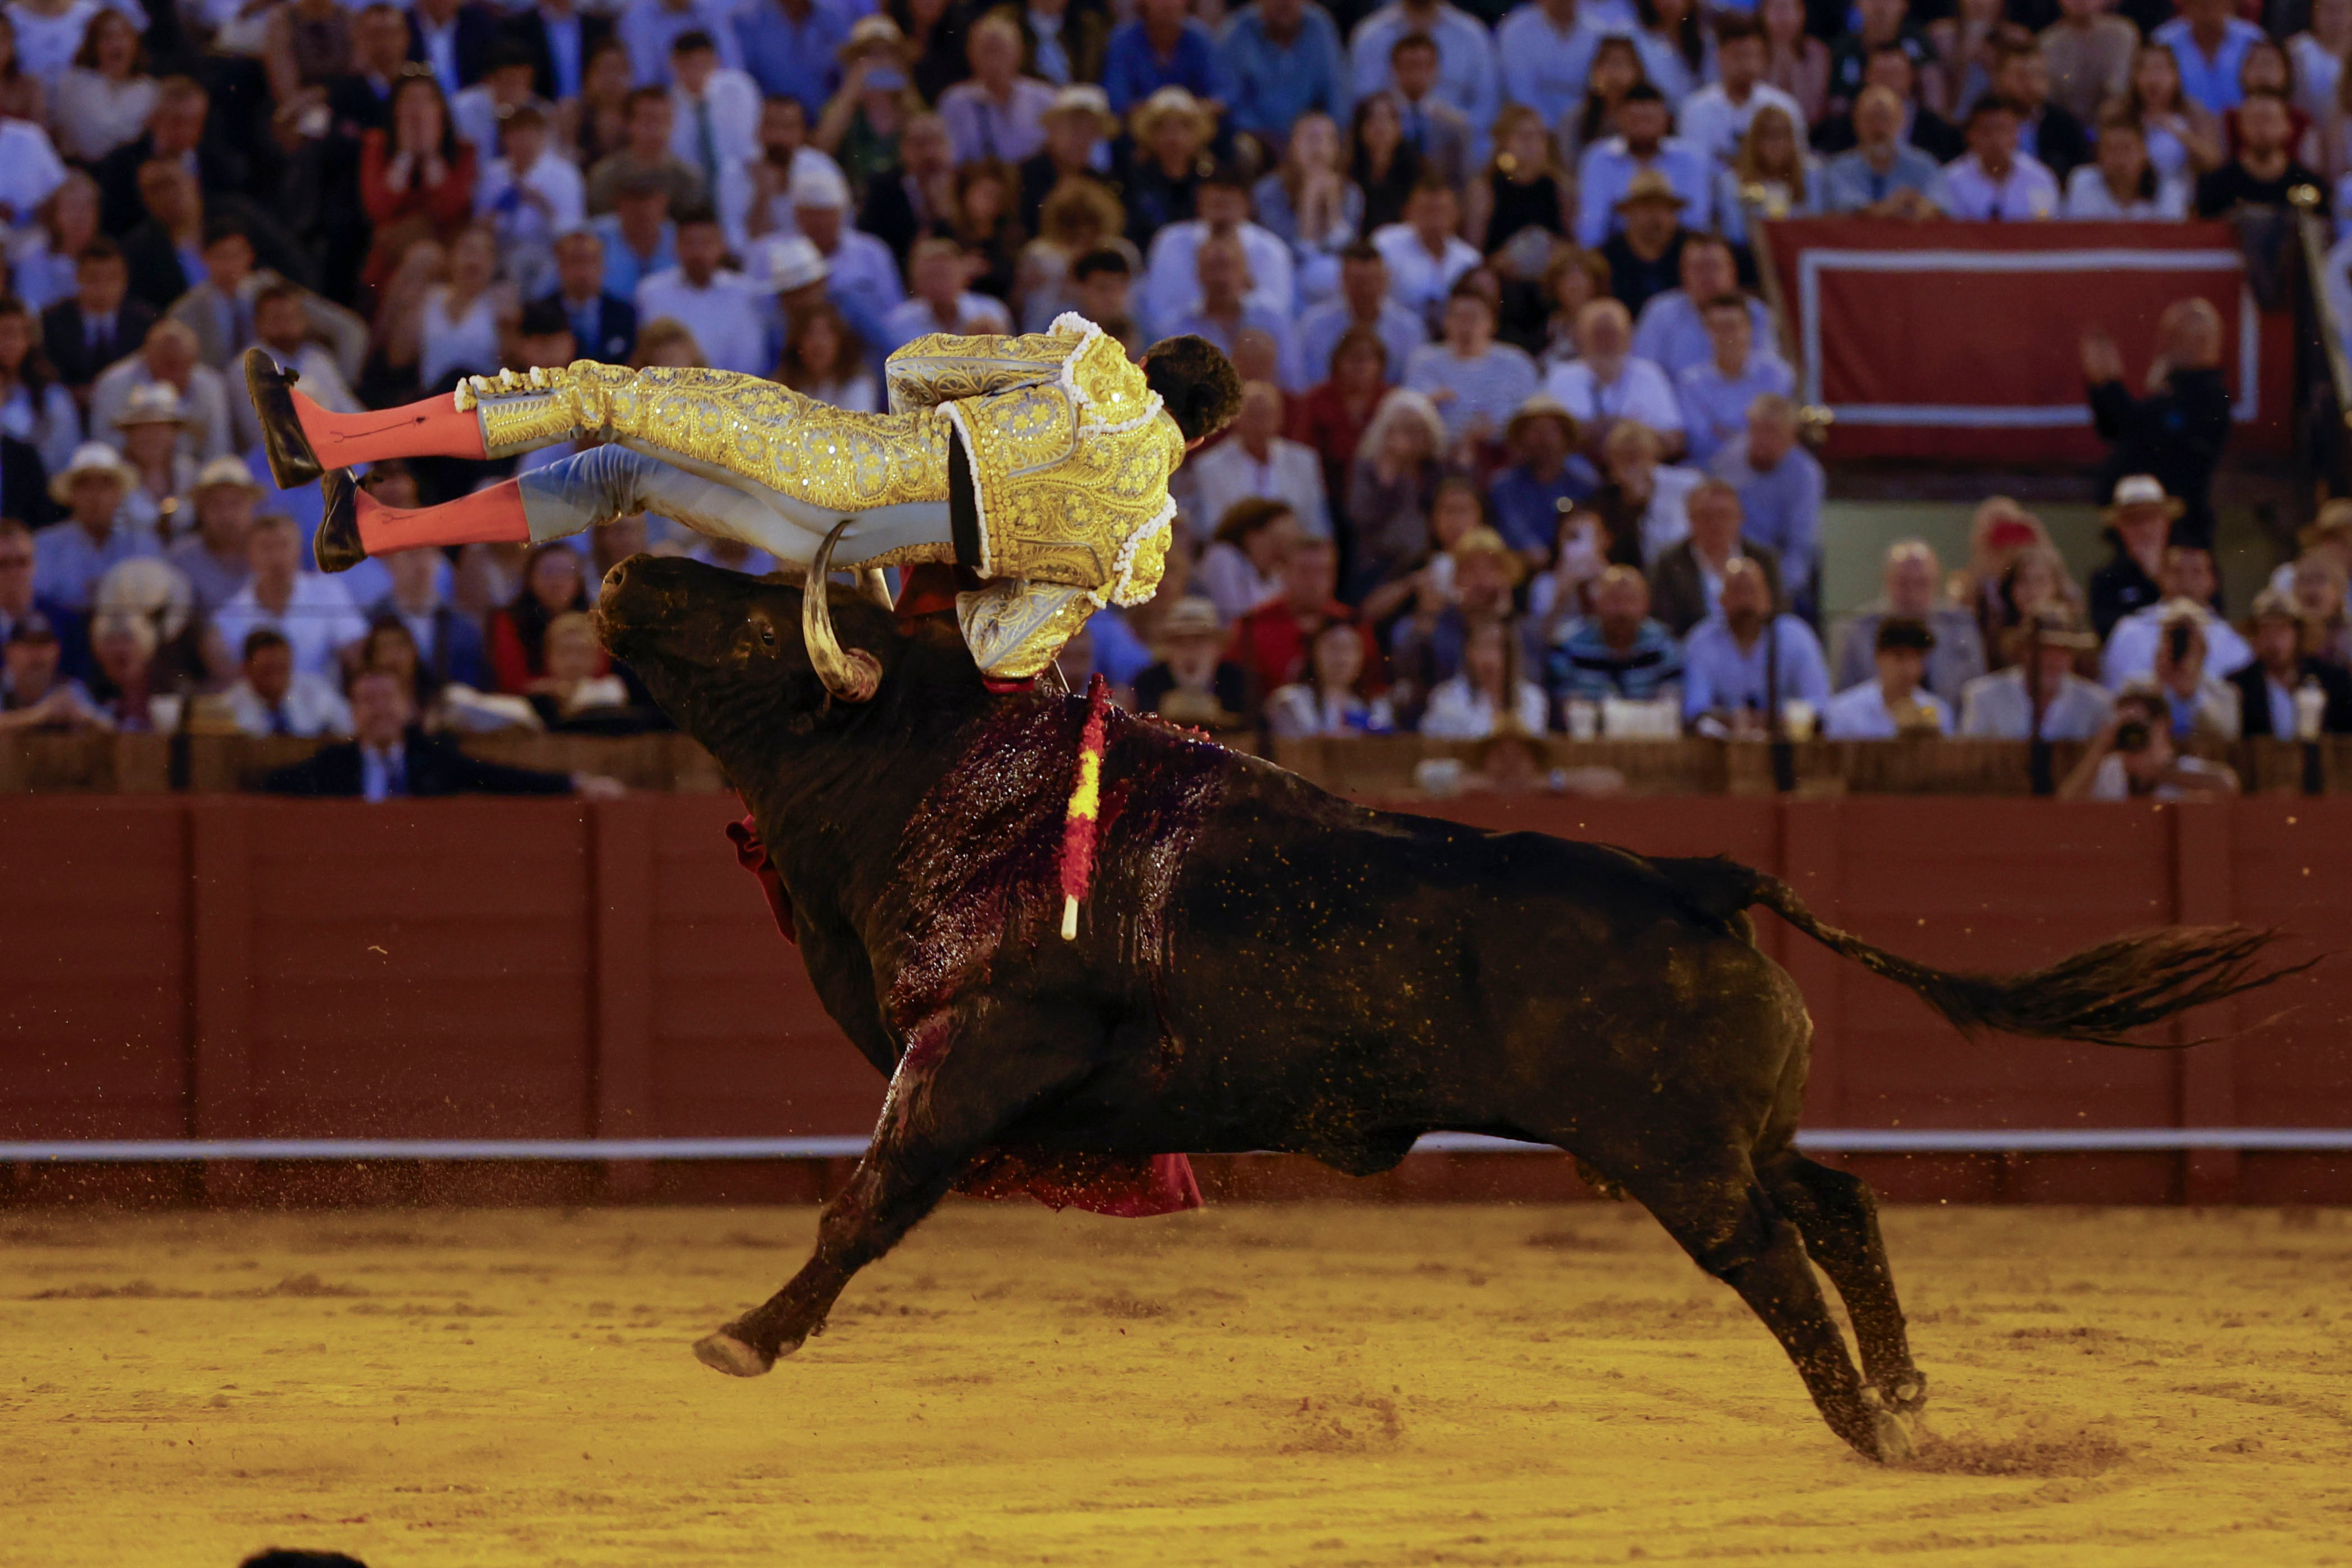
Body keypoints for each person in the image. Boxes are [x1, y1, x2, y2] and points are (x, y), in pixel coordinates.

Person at [250, 322, 1243, 685]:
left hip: (834, 462)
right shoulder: (1135, 544)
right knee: (624, 476)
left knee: (603, 398)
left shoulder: (1097, 371)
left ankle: (332, 438)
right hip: (835, 549)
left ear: (1151, 363)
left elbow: (917, 366)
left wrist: (926, 445)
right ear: (1199, 442)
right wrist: (931, 550)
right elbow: (1000, 648)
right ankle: (375, 528)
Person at [258, 666, 626, 798]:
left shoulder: (432, 757)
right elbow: (271, 787)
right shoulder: (333, 765)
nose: (380, 709)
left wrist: (572, 784)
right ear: (353, 713)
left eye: (388, 698)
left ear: (407, 708)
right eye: (368, 701)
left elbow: (497, 778)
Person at [1679, 555, 1830, 733]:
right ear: (1721, 601)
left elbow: (1820, 706)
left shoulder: (1796, 637)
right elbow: (1696, 712)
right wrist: (1737, 722)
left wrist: (1770, 722)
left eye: (1751, 591)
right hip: (1723, 752)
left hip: (1787, 749)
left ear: (1768, 600)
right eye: (1736, 591)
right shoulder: (1701, 642)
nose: (1745, 601)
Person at [208, 514, 368, 681]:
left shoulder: (328, 592)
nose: (276, 557)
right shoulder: (228, 617)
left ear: (299, 549)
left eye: (284, 545)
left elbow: (356, 653)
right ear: (249, 554)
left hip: (324, 704)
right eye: (266, 548)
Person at [1832, 540, 1987, 706]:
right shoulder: (1857, 630)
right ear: (1887, 581)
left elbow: (1975, 696)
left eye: (1921, 583)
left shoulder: (1961, 626)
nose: (1912, 594)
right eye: (1903, 583)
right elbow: (1843, 699)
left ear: (1936, 584)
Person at [1707, 393, 1821, 608]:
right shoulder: (1726, 461)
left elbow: (1800, 546)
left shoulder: (1805, 475)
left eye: (1773, 432)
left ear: (1792, 437)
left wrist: (1772, 592)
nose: (1764, 441)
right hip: (1728, 563)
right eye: (1758, 431)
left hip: (1778, 570)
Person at [1183, 380, 1331, 544]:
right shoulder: (1208, 467)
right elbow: (1214, 526)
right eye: (1253, 414)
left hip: (1293, 554)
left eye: (1267, 415)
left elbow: (1316, 525)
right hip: (1236, 556)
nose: (1260, 424)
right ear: (1234, 418)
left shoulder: (1304, 461)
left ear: (1280, 418)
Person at [1403, 280, 1539, 451]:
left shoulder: (1517, 362)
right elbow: (1409, 416)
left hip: (1503, 452)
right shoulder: (1424, 360)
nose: (1466, 326)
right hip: (1439, 453)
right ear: (1446, 322)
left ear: (1492, 323)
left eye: (1474, 318)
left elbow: (1531, 416)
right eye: (1459, 317)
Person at [1544, 297, 1683, 459]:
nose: (1605, 341)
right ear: (1579, 337)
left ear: (1628, 336)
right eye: (1597, 333)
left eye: (1612, 333)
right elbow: (1548, 439)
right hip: (1579, 471)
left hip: (1642, 466)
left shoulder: (1649, 375)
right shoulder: (1561, 377)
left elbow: (1676, 440)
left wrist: (1629, 435)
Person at [1576, 86, 1712, 249]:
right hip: (1619, 252)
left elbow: (1696, 221)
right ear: (1619, 119)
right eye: (1635, 120)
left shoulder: (1690, 157)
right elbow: (1592, 226)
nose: (1643, 128)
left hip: (1678, 250)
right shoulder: (1599, 157)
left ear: (1667, 119)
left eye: (1649, 119)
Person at [1649, 479, 1784, 638]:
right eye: (1706, 516)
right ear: (1691, 519)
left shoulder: (1763, 559)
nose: (1716, 523)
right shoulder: (1669, 564)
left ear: (1740, 518)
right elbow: (1664, 622)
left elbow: (1778, 614)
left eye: (1724, 515)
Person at [2059, 680, 2239, 799]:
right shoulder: (2111, 770)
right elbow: (2066, 806)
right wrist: (2100, 748)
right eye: (2126, 727)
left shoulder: (2185, 769)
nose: (2132, 736)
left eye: (2138, 727)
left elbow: (2227, 785)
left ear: (2163, 726)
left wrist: (2159, 773)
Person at [31, 442, 156, 612]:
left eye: (106, 485)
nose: (95, 495)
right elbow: (39, 603)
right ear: (71, 495)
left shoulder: (142, 544)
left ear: (119, 494)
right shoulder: (45, 545)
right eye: (85, 485)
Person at [1957, 606, 2113, 740]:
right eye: (2043, 650)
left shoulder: (2095, 705)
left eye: (2063, 650)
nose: (2053, 659)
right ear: (2024, 652)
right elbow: (1969, 761)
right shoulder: (1983, 697)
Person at [2101, 543, 2248, 686]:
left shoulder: (2232, 641)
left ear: (2212, 581)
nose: (2186, 581)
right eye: (2177, 571)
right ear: (2161, 577)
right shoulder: (2129, 632)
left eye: (2197, 572)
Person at [1677, 296, 1793, 468]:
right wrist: (1747, 433)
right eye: (1719, 328)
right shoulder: (1691, 381)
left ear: (1749, 329)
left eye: (1733, 327)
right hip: (1710, 470)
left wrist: (1725, 432)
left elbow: (1774, 432)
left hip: (1765, 467)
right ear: (1707, 332)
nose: (1728, 335)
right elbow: (1701, 442)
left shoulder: (1776, 375)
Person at [1545, 563, 1683, 707]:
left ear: (1646, 604)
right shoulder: (1568, 645)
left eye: (1631, 600)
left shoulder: (1662, 644)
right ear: (1595, 602)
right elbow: (1563, 706)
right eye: (1614, 600)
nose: (1622, 611)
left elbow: (1671, 702)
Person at [1296, 242, 1426, 391]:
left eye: (1373, 280)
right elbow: (1309, 381)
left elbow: (1412, 384)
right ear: (1342, 280)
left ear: (1386, 280)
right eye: (1358, 282)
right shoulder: (1314, 324)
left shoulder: (1409, 327)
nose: (1366, 289)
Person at [1487, 393, 1593, 564]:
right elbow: (1513, 527)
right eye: (1535, 431)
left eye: (1551, 430)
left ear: (1565, 436)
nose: (1544, 440)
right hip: (1520, 568)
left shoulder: (1584, 482)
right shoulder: (1504, 485)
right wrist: (1531, 548)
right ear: (1522, 438)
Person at [2233, 587, 2352, 737]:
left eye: (2282, 629)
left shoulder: (2333, 680)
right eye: (2265, 630)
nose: (2274, 639)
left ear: (2298, 633)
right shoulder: (2240, 685)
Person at [2195, 90, 2328, 217]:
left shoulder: (2311, 186)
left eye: (2269, 120)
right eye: (2254, 120)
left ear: (2288, 127)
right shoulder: (2216, 187)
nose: (2262, 129)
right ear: (2240, 126)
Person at [1820, 82, 1942, 216]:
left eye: (1885, 119)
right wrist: (1889, 208)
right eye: (1871, 119)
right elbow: (1844, 209)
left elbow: (1941, 206)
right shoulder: (1839, 170)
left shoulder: (1925, 166)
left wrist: (1922, 207)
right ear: (1857, 123)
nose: (1879, 128)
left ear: (1901, 122)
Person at [1265, 615, 1396, 739]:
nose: (1342, 658)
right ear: (1314, 652)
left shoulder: (1377, 707)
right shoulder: (1292, 702)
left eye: (1350, 648)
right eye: (1333, 647)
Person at [1132, 595, 1249, 732]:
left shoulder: (1239, 682)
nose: (1190, 651)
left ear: (1217, 648)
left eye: (1199, 641)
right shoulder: (1148, 683)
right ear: (1167, 649)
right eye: (1180, 642)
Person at [1421, 614, 1547, 740]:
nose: (1489, 657)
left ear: (1510, 653)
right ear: (1468, 652)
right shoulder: (1446, 699)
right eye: (1482, 646)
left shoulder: (1532, 698)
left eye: (1497, 646)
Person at [1823, 616, 1952, 738]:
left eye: (1917, 658)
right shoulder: (1844, 713)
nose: (1910, 669)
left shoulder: (1939, 711)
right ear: (1878, 657)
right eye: (1899, 657)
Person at [1934, 97, 2060, 220]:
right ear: (1970, 135)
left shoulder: (2040, 178)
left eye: (2002, 130)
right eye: (1986, 131)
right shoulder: (1950, 180)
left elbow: (2049, 228)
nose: (1995, 139)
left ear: (2016, 134)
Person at [224, 624, 352, 737]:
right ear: (246, 669)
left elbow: (351, 729)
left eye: (282, 669)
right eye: (268, 671)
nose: (276, 679)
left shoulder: (316, 691)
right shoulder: (229, 706)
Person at [2065, 110, 2191, 219]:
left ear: (2144, 152)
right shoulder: (2082, 181)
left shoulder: (2168, 190)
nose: (2119, 158)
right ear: (2099, 154)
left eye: (2126, 148)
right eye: (2111, 149)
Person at [2154, 0, 2269, 119]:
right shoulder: (2163, 41)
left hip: (2243, 131)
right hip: (2178, 130)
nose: (2207, 5)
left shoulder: (2254, 40)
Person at [2038, 0, 2136, 129]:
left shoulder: (2123, 34)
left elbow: (2119, 90)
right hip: (2064, 128)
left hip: (2118, 124)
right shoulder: (2047, 43)